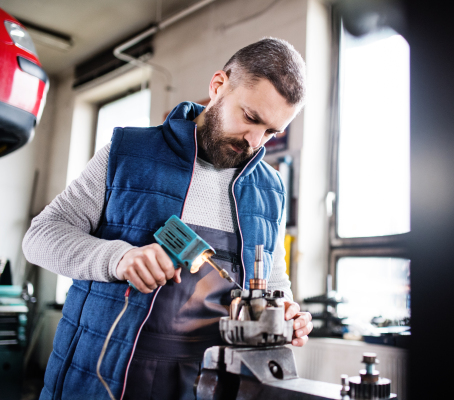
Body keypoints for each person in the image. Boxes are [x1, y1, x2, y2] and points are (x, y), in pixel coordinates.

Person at [23, 37, 313, 400]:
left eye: (271, 132)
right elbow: (40, 237)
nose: (255, 142)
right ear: (218, 86)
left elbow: (271, 278)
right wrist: (119, 258)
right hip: (102, 377)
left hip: (204, 383)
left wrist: (284, 312)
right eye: (251, 118)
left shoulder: (269, 189)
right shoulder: (127, 153)